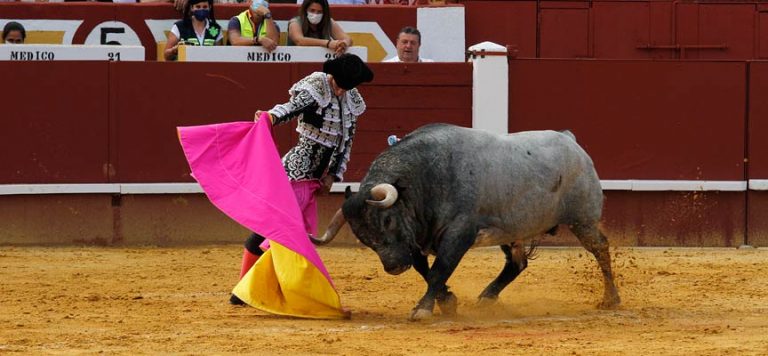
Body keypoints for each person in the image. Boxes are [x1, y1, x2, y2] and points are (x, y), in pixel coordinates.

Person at [231, 53, 373, 305]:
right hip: (295, 173)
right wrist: (271, 116)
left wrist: (333, 175)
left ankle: (252, 289)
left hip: (315, 179)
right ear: (332, 76)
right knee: (280, 231)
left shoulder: (351, 97)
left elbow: (346, 142)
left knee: (283, 232)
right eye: (339, 84)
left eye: (347, 87)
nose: (341, 91)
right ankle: (245, 291)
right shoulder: (317, 86)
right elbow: (289, 109)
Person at [287, 0, 352, 55]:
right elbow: (300, 41)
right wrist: (328, 43)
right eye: (312, 10)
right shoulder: (295, 22)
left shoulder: (328, 22)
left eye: (319, 12)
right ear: (305, 10)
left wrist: (343, 44)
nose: (315, 14)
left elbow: (347, 39)